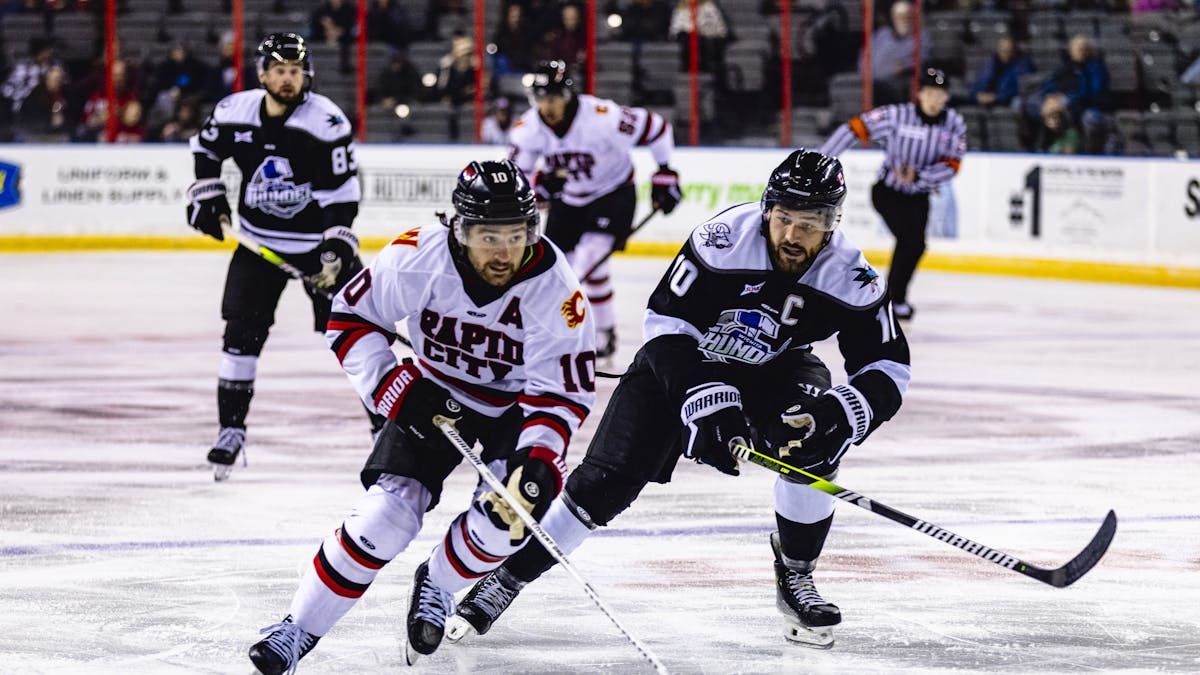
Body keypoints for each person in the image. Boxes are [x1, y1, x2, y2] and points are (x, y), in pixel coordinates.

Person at [445, 149, 910, 650]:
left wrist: (838, 414)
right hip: (684, 363)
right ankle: (507, 578)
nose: (794, 235)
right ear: (766, 211)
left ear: (833, 223)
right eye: (784, 218)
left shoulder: (851, 274)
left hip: (778, 369)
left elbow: (888, 366)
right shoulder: (724, 241)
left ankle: (796, 573)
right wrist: (708, 399)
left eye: (811, 222)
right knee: (602, 486)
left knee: (814, 445)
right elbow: (666, 325)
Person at [246, 159, 597, 674]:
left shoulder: (556, 289)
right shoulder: (418, 255)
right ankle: (297, 629)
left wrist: (539, 459)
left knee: (508, 522)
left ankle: (438, 583)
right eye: (488, 236)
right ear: (459, 228)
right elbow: (350, 317)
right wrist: (392, 387)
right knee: (383, 519)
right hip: (431, 393)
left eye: (516, 235)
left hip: (514, 411)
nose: (504, 252)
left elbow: (560, 394)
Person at [186, 33, 371, 480]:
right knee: (239, 340)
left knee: (362, 340)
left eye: (295, 72)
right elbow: (205, 150)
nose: (288, 80)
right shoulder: (235, 111)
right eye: (279, 71)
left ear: (305, 74)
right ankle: (231, 431)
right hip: (258, 245)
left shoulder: (325, 122)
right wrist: (207, 196)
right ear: (263, 73)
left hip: (315, 249)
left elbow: (343, 196)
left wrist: (335, 250)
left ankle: (386, 428)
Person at [508, 60, 682, 359]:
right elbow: (517, 175)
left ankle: (603, 333)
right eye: (541, 98)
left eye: (554, 98)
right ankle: (557, 330)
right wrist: (538, 185)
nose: (547, 106)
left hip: (613, 192)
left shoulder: (604, 118)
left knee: (591, 257)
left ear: (568, 95)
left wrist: (664, 173)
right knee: (554, 263)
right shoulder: (529, 128)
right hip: (571, 197)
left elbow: (658, 128)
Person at [820, 67, 966, 321]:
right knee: (910, 241)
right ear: (919, 93)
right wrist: (822, 161)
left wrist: (921, 176)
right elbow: (854, 128)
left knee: (916, 245)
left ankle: (895, 298)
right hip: (888, 192)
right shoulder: (898, 115)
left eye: (940, 94)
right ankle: (890, 298)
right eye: (930, 92)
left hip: (919, 196)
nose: (935, 99)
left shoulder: (954, 123)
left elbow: (952, 165)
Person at [861, 0, 929, 105]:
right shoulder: (882, 35)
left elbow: (918, 61)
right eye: (899, 17)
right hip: (873, 83)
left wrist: (900, 68)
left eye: (907, 17)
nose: (903, 21)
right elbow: (864, 59)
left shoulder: (921, 37)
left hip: (898, 86)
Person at [969, 35, 1035, 109]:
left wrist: (996, 97)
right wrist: (977, 95)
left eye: (1008, 51)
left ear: (1013, 51)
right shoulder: (989, 64)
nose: (1005, 53)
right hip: (989, 98)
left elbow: (1018, 89)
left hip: (1007, 99)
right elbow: (979, 82)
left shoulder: (1021, 66)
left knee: (1018, 102)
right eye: (1002, 50)